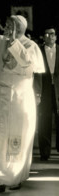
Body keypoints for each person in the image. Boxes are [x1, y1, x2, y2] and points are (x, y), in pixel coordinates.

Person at [0, 4, 45, 192]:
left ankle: (15, 176)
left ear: (19, 29)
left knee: (19, 134)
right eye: (5, 25)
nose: (5, 28)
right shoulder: (0, 41)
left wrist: (14, 43)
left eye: (9, 26)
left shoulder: (31, 45)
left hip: (21, 98)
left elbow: (28, 63)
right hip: (2, 95)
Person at [36, 25, 59, 161]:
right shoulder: (38, 51)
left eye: (51, 34)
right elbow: (35, 73)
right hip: (44, 90)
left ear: (56, 36)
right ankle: (45, 152)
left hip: (58, 89)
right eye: (46, 34)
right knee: (44, 121)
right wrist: (36, 93)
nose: (48, 36)